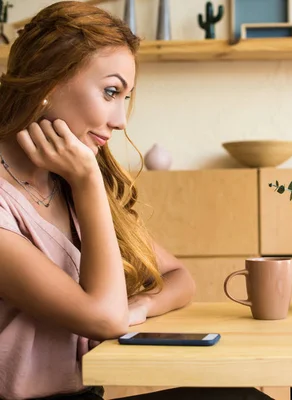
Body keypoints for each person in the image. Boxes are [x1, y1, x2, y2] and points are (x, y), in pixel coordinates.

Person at [0, 2, 271, 400]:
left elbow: (180, 278)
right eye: (111, 91)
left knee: (242, 397)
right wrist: (89, 182)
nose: (121, 119)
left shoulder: (64, 183)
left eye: (126, 97)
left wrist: (140, 306)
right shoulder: (65, 185)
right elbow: (106, 320)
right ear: (49, 83)